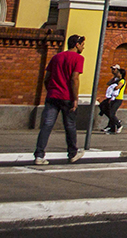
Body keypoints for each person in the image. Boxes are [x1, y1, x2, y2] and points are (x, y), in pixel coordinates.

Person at [34, 34, 86, 165]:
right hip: (67, 97)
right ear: (77, 45)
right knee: (70, 126)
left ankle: (39, 155)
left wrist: (51, 89)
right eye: (82, 44)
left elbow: (46, 78)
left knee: (47, 125)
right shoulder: (78, 58)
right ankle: (72, 153)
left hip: (52, 96)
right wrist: (75, 98)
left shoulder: (56, 57)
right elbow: (74, 79)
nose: (83, 47)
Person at [101, 64, 126, 134]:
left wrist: (114, 86)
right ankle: (112, 126)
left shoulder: (122, 80)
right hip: (112, 98)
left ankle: (118, 124)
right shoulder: (115, 79)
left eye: (115, 70)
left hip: (118, 99)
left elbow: (117, 87)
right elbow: (108, 83)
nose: (113, 71)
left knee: (111, 113)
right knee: (105, 109)